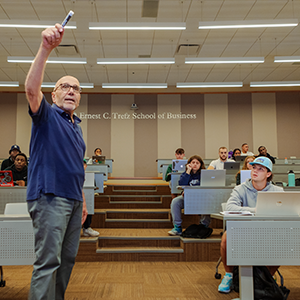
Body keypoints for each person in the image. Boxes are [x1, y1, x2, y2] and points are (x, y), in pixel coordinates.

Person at [24, 23, 88, 300]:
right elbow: (30, 89)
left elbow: (77, 168)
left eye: (75, 88)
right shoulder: (47, 116)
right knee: (48, 263)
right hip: (50, 197)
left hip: (73, 200)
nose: (71, 91)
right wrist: (45, 48)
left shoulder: (77, 126)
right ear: (54, 94)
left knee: (66, 261)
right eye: (64, 86)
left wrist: (83, 201)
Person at [218, 157, 283, 294]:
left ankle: (267, 277)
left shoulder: (277, 191)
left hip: (268, 231)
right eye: (254, 167)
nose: (255, 171)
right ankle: (229, 275)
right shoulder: (240, 189)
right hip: (244, 230)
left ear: (268, 174)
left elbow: (284, 212)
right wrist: (256, 210)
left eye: (260, 169)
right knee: (226, 237)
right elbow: (230, 207)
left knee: (283, 241)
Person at [168, 155, 211, 237]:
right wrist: (188, 171)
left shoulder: (204, 175)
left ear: (200, 164)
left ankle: (204, 226)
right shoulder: (185, 174)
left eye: (197, 163)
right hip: (187, 198)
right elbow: (182, 184)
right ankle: (177, 227)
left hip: (201, 198)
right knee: (175, 201)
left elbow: (206, 187)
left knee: (207, 201)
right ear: (189, 164)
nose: (195, 164)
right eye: (193, 162)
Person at [82, 160, 99, 237]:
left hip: (87, 198)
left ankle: (87, 228)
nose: (82, 166)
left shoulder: (90, 176)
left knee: (89, 207)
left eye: (84, 165)